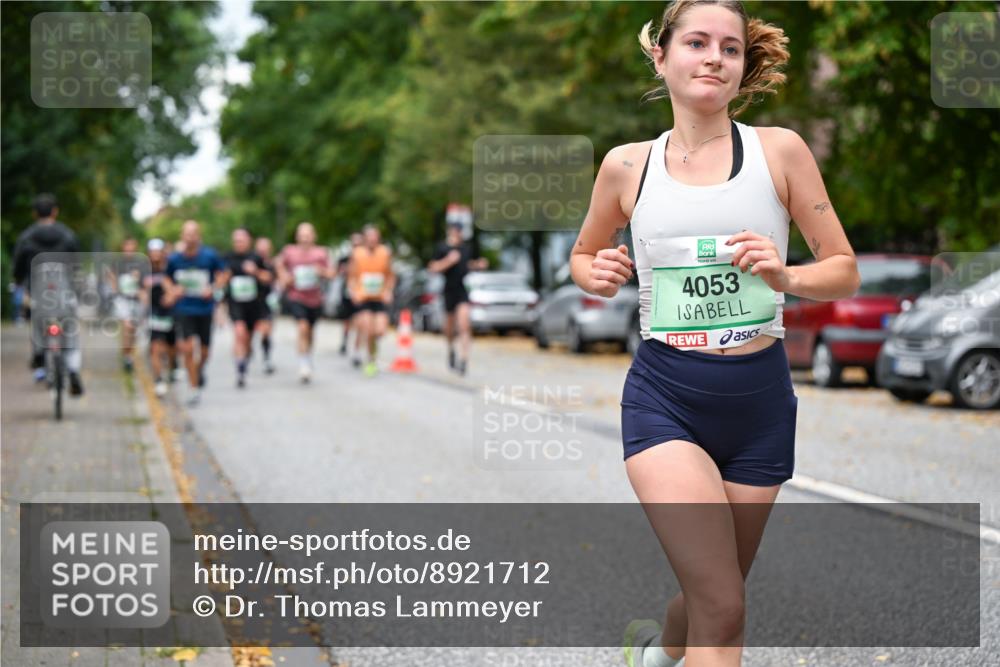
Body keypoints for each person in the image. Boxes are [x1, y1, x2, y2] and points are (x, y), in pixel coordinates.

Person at [568, 2, 861, 666]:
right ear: (662, 56)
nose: (713, 57)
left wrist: (785, 277)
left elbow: (843, 270)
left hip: (759, 402)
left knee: (713, 592)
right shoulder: (626, 167)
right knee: (725, 606)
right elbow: (584, 255)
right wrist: (599, 271)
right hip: (666, 397)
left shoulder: (779, 151)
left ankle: (655, 652)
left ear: (742, 66)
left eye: (729, 48)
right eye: (696, 42)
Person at [12, 193, 84, 395]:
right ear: (55, 211)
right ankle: (73, 370)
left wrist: (18, 282)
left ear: (35, 213)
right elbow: (77, 266)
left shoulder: (26, 237)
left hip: (37, 293)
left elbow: (18, 267)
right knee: (71, 333)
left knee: (35, 321)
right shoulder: (68, 235)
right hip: (64, 293)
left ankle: (39, 355)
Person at [162, 220, 226, 406]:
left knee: (205, 352)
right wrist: (173, 290)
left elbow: (223, 274)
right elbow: (166, 279)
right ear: (182, 236)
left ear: (199, 236)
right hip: (184, 309)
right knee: (188, 348)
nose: (190, 237)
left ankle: (198, 371)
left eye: (193, 234)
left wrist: (213, 288)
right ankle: (194, 388)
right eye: (187, 234)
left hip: (205, 309)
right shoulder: (174, 259)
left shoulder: (209, 256)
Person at [276, 222, 334, 383]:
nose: (305, 239)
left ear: (314, 237)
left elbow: (332, 273)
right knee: (302, 327)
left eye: (308, 235)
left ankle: (307, 357)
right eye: (302, 235)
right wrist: (284, 277)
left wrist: (321, 271)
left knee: (310, 333)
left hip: (315, 299)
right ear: (297, 237)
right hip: (297, 297)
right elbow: (279, 265)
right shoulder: (289, 252)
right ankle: (303, 364)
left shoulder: (321, 253)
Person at [428, 221, 488, 375]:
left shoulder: (466, 248)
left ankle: (464, 360)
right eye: (455, 231)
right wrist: (449, 260)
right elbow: (433, 268)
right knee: (449, 328)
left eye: (459, 231)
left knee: (464, 325)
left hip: (462, 290)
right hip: (448, 290)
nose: (457, 234)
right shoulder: (442, 248)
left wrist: (479, 265)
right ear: (450, 232)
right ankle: (451, 349)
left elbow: (468, 265)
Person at [221, 228, 272, 388]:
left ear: (249, 241)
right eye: (236, 240)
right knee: (239, 333)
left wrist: (255, 271)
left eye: (242, 240)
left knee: (248, 339)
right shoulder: (227, 258)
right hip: (235, 303)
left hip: (254, 305)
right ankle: (240, 370)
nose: (239, 243)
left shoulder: (256, 258)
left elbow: (268, 278)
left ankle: (245, 360)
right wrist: (225, 277)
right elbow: (219, 280)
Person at [348, 224, 395, 377]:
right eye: (369, 237)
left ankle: (372, 351)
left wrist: (388, 291)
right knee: (368, 329)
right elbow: (351, 276)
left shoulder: (385, 253)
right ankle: (370, 360)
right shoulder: (357, 253)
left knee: (379, 331)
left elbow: (390, 275)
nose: (372, 240)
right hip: (363, 297)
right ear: (365, 239)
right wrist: (354, 292)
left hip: (379, 297)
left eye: (375, 236)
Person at [107, 237, 147, 374]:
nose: (129, 249)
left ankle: (129, 354)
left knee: (133, 330)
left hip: (136, 300)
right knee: (127, 325)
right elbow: (111, 278)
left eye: (132, 246)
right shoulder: (117, 263)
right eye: (127, 245)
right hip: (122, 299)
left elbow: (145, 283)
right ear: (123, 247)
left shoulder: (141, 263)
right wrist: (115, 291)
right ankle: (126, 356)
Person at [143, 238, 177, 397]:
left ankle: (172, 367)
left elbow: (178, 288)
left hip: (170, 313)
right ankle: (159, 380)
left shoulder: (170, 269)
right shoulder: (144, 270)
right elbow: (140, 291)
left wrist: (170, 292)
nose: (155, 255)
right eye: (152, 252)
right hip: (153, 313)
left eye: (158, 251)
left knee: (171, 348)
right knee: (156, 347)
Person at [254, 236, 278, 374]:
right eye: (260, 248)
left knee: (266, 331)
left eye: (265, 248)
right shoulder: (250, 262)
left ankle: (266, 357)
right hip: (250, 302)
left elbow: (275, 279)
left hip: (267, 301)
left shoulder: (272, 264)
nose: (262, 251)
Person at [337, 232, 364, 356]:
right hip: (347, 293)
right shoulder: (345, 259)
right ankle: (345, 340)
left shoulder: (366, 259)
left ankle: (357, 349)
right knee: (347, 320)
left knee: (360, 321)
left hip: (361, 294)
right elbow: (338, 272)